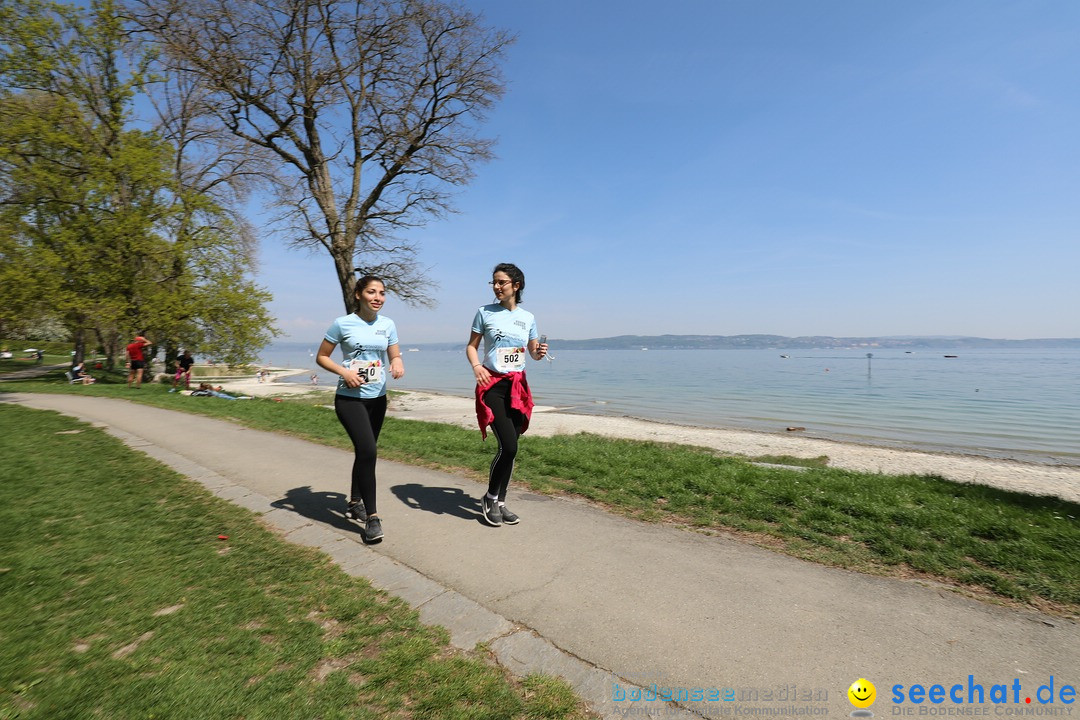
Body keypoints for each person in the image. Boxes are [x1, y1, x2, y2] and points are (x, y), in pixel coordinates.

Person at [316, 275, 405, 542]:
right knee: (368, 450)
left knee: (365, 452)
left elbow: (394, 353)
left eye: (382, 293)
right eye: (371, 292)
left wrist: (398, 362)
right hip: (349, 398)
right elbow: (322, 356)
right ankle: (372, 518)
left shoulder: (387, 324)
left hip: (378, 398)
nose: (378, 297)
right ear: (358, 294)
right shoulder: (342, 324)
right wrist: (344, 371)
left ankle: (355, 501)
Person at [466, 263, 547, 527]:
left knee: (511, 448)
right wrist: (477, 366)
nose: (497, 287)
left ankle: (501, 502)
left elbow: (532, 353)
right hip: (492, 384)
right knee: (508, 445)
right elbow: (471, 346)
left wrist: (539, 353)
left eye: (501, 282)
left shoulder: (528, 318)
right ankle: (489, 498)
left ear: (516, 285)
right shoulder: (484, 313)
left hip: (517, 387)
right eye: (494, 282)